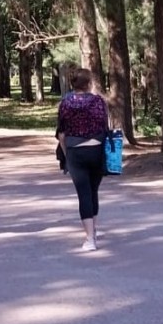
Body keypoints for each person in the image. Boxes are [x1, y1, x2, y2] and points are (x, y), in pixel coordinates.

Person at [56, 67, 108, 252]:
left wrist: (67, 153)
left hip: (76, 151)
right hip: (97, 150)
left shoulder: (66, 103)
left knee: (84, 194)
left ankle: (90, 239)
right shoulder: (98, 102)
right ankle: (93, 229)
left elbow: (61, 133)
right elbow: (105, 127)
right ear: (89, 83)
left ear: (72, 83)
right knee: (93, 191)